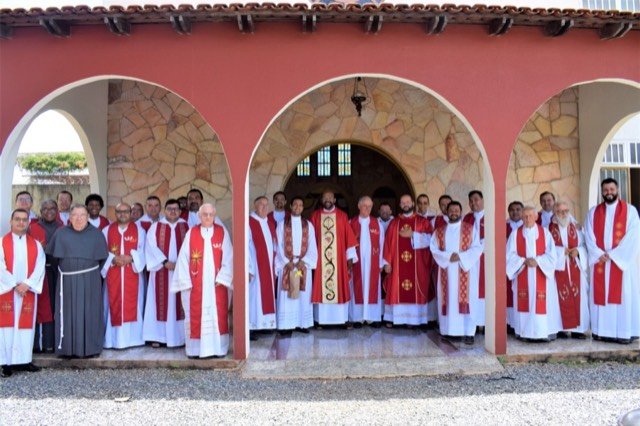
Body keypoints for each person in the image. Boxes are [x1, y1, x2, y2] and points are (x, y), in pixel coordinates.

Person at [47, 204, 109, 358]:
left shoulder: (97, 235)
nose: (79, 219)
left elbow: (102, 259)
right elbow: (54, 259)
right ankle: (67, 349)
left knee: (90, 312)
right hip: (66, 280)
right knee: (66, 312)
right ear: (70, 218)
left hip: (90, 280)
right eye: (75, 215)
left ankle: (89, 348)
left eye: (82, 215)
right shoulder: (61, 234)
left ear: (88, 217)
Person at [171, 203, 233, 358]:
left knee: (217, 315)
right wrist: (186, 282)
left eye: (211, 214)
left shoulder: (221, 232)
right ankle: (195, 350)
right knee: (195, 316)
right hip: (196, 286)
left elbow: (229, 257)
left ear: (214, 215)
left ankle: (219, 349)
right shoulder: (191, 233)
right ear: (199, 216)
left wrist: (223, 277)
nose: (208, 217)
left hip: (216, 284)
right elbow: (183, 260)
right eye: (204, 214)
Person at [583, 178, 640, 344]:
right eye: (606, 190)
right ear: (602, 192)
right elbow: (588, 235)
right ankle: (602, 332)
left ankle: (624, 333)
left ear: (618, 190)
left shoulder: (630, 211)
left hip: (621, 265)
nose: (609, 192)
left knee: (623, 296)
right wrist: (598, 253)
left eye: (612, 189)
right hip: (600, 262)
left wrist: (614, 255)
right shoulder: (593, 213)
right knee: (601, 298)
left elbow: (633, 236)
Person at [0, 209, 45, 378]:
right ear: (11, 222)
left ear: (28, 223)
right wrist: (13, 284)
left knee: (26, 328)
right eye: (17, 219)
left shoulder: (36, 245)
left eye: (24, 220)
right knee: (6, 329)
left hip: (26, 292)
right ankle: (5, 363)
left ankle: (24, 360)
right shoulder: (2, 243)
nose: (21, 222)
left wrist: (27, 284)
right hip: (7, 291)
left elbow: (40, 267)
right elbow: (0, 267)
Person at [430, 201, 483, 344]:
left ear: (461, 212)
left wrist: (460, 256)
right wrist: (448, 257)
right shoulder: (439, 231)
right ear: (447, 213)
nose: (454, 212)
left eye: (456, 210)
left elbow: (477, 248)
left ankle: (468, 332)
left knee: (468, 300)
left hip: (465, 269)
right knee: (448, 300)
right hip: (446, 271)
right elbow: (433, 248)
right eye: (451, 210)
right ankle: (448, 331)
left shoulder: (470, 229)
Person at [506, 206, 562, 341]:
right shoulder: (515, 234)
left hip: (541, 273)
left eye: (530, 216)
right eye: (525, 216)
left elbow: (552, 256)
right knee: (524, 302)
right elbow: (509, 256)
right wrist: (523, 261)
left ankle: (542, 333)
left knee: (542, 303)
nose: (527, 219)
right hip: (522, 274)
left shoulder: (545, 234)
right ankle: (524, 333)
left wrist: (538, 261)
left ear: (536, 217)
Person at [383, 194, 434, 327]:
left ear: (412, 203)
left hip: (418, 266)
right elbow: (387, 243)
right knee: (396, 288)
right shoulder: (394, 223)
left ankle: (414, 320)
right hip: (397, 266)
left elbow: (432, 240)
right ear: (400, 205)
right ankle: (398, 320)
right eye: (403, 202)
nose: (405, 204)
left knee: (417, 289)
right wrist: (386, 262)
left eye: (407, 202)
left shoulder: (422, 222)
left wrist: (414, 235)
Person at [144, 199, 188, 348]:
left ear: (180, 211)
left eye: (176, 209)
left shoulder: (187, 227)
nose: (173, 212)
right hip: (160, 273)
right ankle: (159, 337)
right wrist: (164, 262)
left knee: (180, 305)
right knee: (158, 304)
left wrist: (180, 264)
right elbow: (150, 247)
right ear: (165, 210)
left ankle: (181, 337)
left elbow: (191, 247)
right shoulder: (155, 227)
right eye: (170, 209)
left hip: (181, 272)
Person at [309, 191, 358, 327]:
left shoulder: (342, 216)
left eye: (330, 198)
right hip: (321, 262)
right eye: (325, 198)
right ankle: (320, 320)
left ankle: (341, 320)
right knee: (321, 287)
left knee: (340, 286)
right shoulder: (315, 216)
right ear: (321, 200)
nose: (328, 200)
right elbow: (310, 240)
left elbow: (349, 239)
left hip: (339, 260)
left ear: (335, 200)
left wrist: (349, 259)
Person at [101, 203, 146, 349]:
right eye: (119, 212)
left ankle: (133, 340)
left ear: (131, 213)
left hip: (132, 274)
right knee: (111, 304)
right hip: (113, 274)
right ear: (115, 213)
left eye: (126, 212)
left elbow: (144, 252)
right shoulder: (107, 230)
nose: (123, 214)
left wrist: (131, 258)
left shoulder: (140, 231)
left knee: (134, 305)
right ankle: (111, 340)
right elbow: (101, 251)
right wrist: (112, 259)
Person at [274, 196, 318, 334]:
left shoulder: (308, 225)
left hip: (302, 266)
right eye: (295, 205)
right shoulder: (283, 225)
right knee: (287, 295)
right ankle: (286, 325)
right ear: (291, 206)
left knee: (303, 295)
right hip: (287, 265)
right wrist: (287, 263)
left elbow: (312, 246)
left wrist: (303, 262)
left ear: (303, 208)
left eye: (300, 205)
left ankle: (302, 323)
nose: (298, 207)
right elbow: (278, 246)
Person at [549, 201, 589, 338]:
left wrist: (578, 251)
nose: (564, 214)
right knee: (557, 298)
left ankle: (578, 330)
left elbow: (584, 246)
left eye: (566, 211)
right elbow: (544, 249)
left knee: (579, 296)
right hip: (558, 270)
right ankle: (560, 328)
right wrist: (561, 252)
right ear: (555, 213)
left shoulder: (576, 228)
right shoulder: (548, 229)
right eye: (560, 211)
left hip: (574, 267)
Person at [28, 199, 62, 353]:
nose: (49, 211)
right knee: (42, 308)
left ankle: (56, 342)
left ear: (57, 211)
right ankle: (40, 344)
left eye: (52, 208)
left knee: (58, 307)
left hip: (60, 273)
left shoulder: (65, 228)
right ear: (40, 212)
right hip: (39, 274)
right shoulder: (32, 229)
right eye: (45, 209)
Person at [349, 196, 384, 327]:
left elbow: (382, 244)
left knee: (372, 289)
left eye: (370, 206)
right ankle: (357, 318)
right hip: (356, 263)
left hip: (372, 263)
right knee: (357, 288)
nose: (367, 209)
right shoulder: (351, 223)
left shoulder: (377, 223)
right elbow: (347, 244)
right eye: (364, 206)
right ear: (359, 206)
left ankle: (372, 317)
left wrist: (380, 263)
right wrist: (349, 260)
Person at [248, 196, 277, 338]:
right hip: (255, 268)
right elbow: (245, 247)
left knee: (266, 295)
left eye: (267, 205)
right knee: (254, 297)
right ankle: (251, 327)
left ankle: (265, 324)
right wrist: (248, 268)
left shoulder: (269, 223)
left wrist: (276, 266)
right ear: (255, 206)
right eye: (261, 205)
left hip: (268, 267)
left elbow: (275, 246)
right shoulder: (249, 222)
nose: (264, 207)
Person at [463, 190, 486, 329]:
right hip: (471, 261)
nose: (473, 203)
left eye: (476, 199)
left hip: (486, 260)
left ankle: (484, 323)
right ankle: (473, 322)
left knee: (485, 289)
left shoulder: (491, 216)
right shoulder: (466, 219)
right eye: (471, 200)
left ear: (483, 200)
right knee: (472, 289)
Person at [506, 201, 524, 329]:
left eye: (518, 209)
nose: (515, 212)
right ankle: (507, 323)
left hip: (524, 266)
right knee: (507, 295)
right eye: (512, 210)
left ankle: (519, 324)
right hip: (508, 265)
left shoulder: (529, 227)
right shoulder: (503, 226)